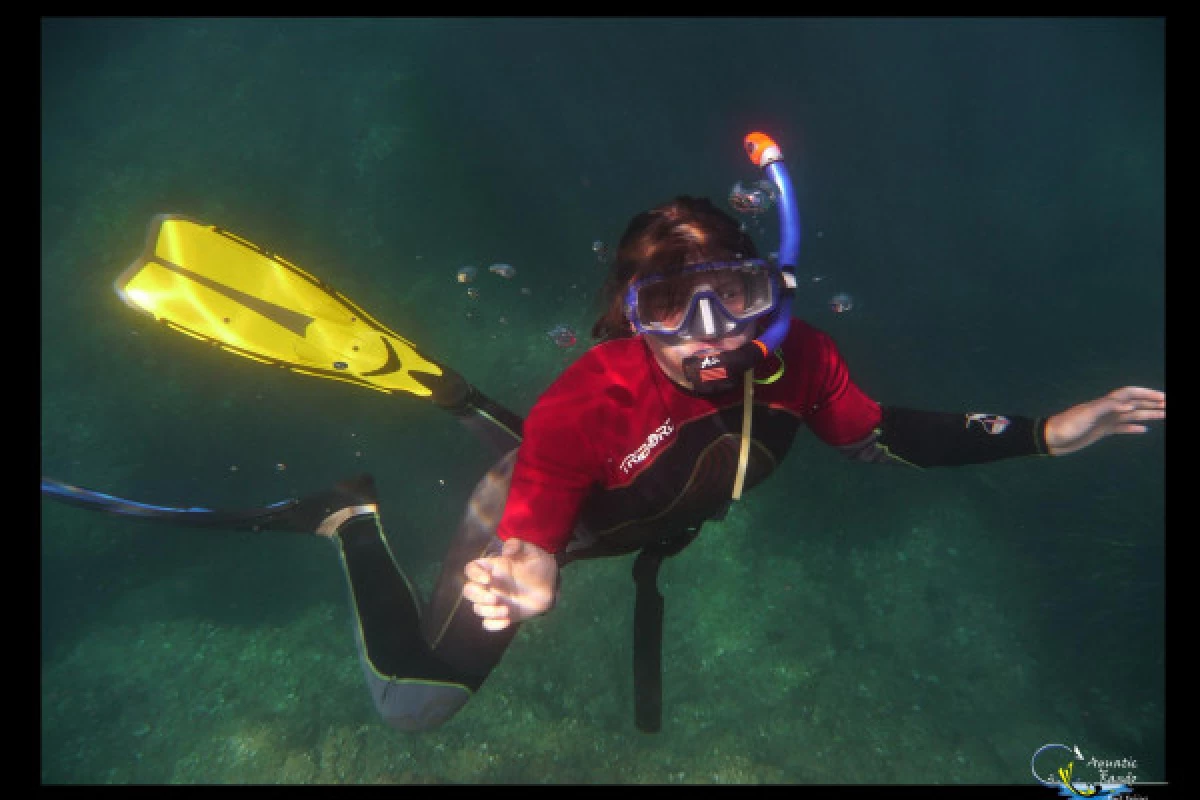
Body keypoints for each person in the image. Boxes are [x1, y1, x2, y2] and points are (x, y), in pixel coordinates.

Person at [42, 151, 1166, 736]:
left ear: (762, 289)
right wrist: (526, 564)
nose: (710, 334)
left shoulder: (800, 360)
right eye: (670, 306)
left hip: (622, 517)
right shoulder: (591, 398)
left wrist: (1044, 434)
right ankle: (350, 518)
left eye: (731, 293)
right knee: (412, 702)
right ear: (629, 311)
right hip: (538, 511)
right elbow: (537, 497)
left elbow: (877, 439)